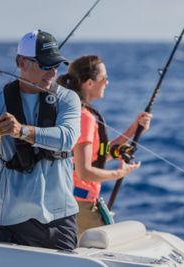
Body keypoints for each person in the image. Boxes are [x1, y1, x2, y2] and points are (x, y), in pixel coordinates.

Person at [0, 30, 81, 250]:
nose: (53, 72)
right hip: (12, 220)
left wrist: (21, 131)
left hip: (60, 217)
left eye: (56, 65)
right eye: (46, 65)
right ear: (21, 62)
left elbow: (68, 138)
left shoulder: (68, 99)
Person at [57, 55, 152, 236]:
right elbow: (84, 172)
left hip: (70, 202)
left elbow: (97, 156)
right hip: (81, 207)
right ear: (90, 83)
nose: (107, 82)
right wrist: (119, 174)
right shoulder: (85, 118)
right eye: (104, 78)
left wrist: (134, 128)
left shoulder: (75, 111)